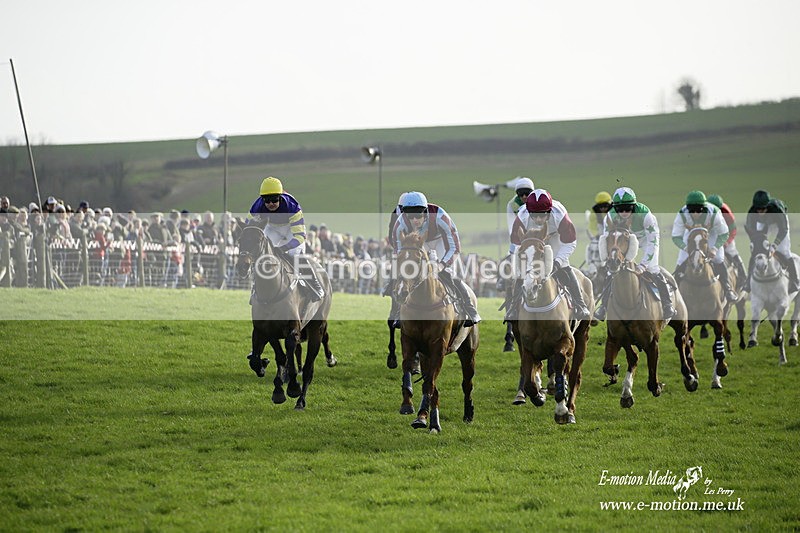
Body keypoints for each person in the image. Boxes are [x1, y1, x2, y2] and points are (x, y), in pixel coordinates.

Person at [392, 191, 481, 326]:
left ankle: (470, 309)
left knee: (448, 274)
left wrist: (442, 265)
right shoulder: (400, 224)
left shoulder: (440, 217)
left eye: (418, 215)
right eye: (410, 216)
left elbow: (455, 248)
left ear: (425, 211)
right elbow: (399, 250)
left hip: (441, 242)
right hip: (417, 245)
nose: (415, 220)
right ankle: (398, 312)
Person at [594, 187, 676, 321]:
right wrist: (608, 260)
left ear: (634, 206)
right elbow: (606, 240)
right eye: (620, 209)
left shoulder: (646, 215)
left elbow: (653, 243)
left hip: (645, 240)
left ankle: (667, 305)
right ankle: (603, 307)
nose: (624, 212)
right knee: (611, 272)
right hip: (622, 241)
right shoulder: (610, 216)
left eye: (628, 208)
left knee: (652, 268)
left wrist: (642, 265)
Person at [509, 188, 591, 320]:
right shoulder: (522, 216)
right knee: (520, 273)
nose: (538, 219)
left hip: (555, 239)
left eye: (542, 215)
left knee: (564, 266)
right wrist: (524, 263)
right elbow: (516, 242)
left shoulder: (559, 214)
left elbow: (570, 242)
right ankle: (513, 307)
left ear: (549, 211)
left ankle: (580, 304)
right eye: (534, 216)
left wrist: (558, 261)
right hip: (531, 242)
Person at [247, 176, 323, 300]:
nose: (271, 203)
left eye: (274, 199)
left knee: (295, 254)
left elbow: (300, 236)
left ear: (280, 197)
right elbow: (248, 229)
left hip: (291, 229)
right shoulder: (257, 206)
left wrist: (284, 248)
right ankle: (255, 288)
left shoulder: (292, 207)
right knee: (262, 252)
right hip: (272, 228)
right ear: (262, 199)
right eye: (267, 200)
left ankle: (315, 286)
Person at [671, 190, 736, 302]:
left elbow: (724, 233)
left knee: (718, 258)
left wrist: (715, 248)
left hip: (712, 234)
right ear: (687, 208)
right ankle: (673, 291)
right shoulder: (682, 214)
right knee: (682, 260)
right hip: (691, 235)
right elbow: (676, 236)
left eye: (699, 210)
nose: (695, 213)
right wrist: (686, 248)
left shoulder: (714, 213)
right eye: (692, 210)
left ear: (704, 207)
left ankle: (728, 289)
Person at [744, 190, 799, 293]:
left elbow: (784, 229)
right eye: (758, 209)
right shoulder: (752, 212)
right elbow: (751, 232)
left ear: (768, 206)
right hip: (764, 224)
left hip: (779, 225)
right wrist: (755, 244)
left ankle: (795, 281)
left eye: (763, 209)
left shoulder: (776, 209)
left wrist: (775, 245)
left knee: (784, 251)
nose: (760, 212)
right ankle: (748, 281)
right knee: (757, 251)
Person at [707, 194, 747, 288]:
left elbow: (733, 230)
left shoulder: (726, 212)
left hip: (726, 234)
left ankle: (743, 275)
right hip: (711, 235)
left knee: (732, 251)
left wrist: (726, 242)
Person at [505, 177, 534, 254]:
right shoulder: (512, 205)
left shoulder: (539, 200)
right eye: (521, 193)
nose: (524, 196)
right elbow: (512, 226)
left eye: (527, 193)